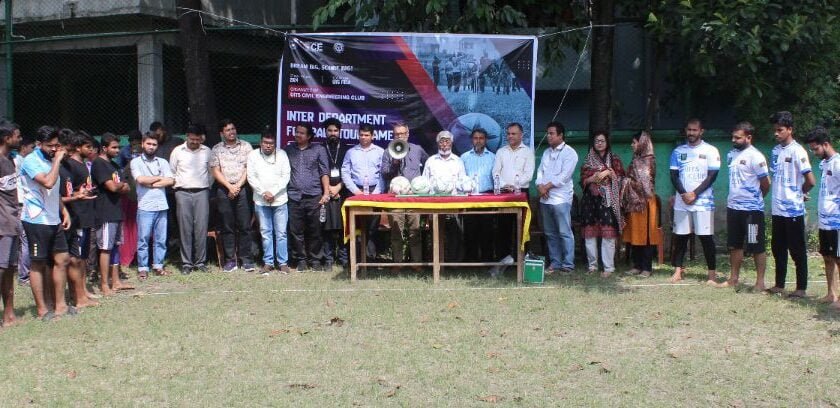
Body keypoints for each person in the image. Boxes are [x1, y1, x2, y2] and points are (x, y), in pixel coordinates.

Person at [20, 126, 74, 319]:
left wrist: (63, 211)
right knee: (38, 263)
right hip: (36, 219)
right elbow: (48, 182)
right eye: (50, 146)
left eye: (57, 145)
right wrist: (58, 160)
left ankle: (60, 306)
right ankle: (43, 309)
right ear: (39, 144)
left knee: (62, 259)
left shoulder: (51, 160)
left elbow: (54, 192)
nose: (54, 149)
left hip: (53, 219)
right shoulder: (30, 161)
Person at [718, 122, 771, 290]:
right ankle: (733, 279)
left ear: (749, 137)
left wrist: (755, 199)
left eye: (738, 137)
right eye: (733, 137)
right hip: (734, 209)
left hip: (751, 212)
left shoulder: (756, 157)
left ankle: (760, 282)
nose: (734, 140)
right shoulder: (731, 155)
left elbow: (766, 184)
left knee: (755, 245)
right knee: (734, 245)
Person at [768, 111, 815, 298]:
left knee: (797, 249)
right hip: (777, 208)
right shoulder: (775, 151)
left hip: (793, 210)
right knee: (778, 247)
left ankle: (801, 288)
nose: (776, 134)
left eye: (780, 130)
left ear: (789, 130)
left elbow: (810, 180)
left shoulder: (798, 151)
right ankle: (779, 285)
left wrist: (800, 193)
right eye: (775, 130)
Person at [669, 118, 720, 284]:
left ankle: (711, 275)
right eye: (689, 130)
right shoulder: (678, 151)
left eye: (694, 130)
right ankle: (678, 271)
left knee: (706, 238)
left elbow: (711, 177)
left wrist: (695, 194)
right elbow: (674, 176)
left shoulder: (711, 151)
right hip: (682, 202)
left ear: (701, 131)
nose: (691, 133)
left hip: (703, 202)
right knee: (681, 237)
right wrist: (684, 194)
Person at [59, 132, 99, 307]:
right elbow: (67, 193)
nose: (90, 150)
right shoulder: (70, 166)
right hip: (77, 216)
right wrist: (78, 196)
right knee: (76, 258)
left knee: (82, 257)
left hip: (86, 215)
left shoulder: (83, 165)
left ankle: (83, 290)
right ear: (77, 147)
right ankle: (77, 294)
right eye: (87, 147)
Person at [210, 119, 255, 272]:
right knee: (227, 226)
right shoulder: (216, 149)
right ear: (222, 133)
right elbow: (215, 171)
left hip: (242, 189)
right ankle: (230, 260)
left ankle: (246, 260)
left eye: (233, 128)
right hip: (224, 190)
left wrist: (237, 187)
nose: (231, 132)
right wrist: (229, 186)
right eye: (228, 130)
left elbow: (249, 168)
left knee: (245, 225)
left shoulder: (246, 146)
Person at [91, 133, 134, 296]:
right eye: (114, 147)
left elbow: (127, 188)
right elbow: (112, 187)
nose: (118, 150)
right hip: (105, 212)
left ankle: (116, 281)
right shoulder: (99, 164)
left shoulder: (114, 166)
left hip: (117, 211)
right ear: (104, 148)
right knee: (105, 248)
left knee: (115, 247)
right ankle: (104, 284)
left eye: (119, 147)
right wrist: (119, 185)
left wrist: (120, 185)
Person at [381, 121, 428, 265]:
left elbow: (428, 163)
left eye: (402, 133)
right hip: (395, 198)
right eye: (397, 134)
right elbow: (384, 173)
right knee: (396, 232)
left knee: (415, 231)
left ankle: (416, 263)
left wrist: (423, 184)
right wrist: (394, 163)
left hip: (414, 197)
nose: (400, 136)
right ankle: (397, 263)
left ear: (407, 134)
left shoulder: (417, 149)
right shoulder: (388, 151)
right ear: (393, 135)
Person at [580, 131, 625, 277]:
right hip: (590, 201)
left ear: (607, 143)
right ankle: (592, 266)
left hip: (608, 201)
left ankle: (608, 268)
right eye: (597, 141)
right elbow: (583, 181)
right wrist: (592, 178)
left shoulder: (614, 159)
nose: (599, 143)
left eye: (602, 141)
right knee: (590, 234)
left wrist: (609, 173)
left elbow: (621, 179)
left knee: (608, 234)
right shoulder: (588, 160)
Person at [247, 128, 291, 275]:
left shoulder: (282, 155)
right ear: (260, 143)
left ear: (275, 144)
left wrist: (273, 192)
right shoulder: (253, 155)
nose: (268, 146)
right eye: (265, 143)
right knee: (265, 232)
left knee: (281, 233)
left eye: (271, 143)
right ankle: (268, 262)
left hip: (280, 199)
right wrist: (263, 192)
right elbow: (251, 177)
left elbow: (286, 176)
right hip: (261, 200)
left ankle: (283, 263)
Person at [287, 123, 331, 272]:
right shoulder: (288, 150)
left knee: (315, 230)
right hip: (294, 196)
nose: (297, 135)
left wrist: (326, 193)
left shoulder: (318, 149)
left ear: (309, 136)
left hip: (314, 196)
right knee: (295, 231)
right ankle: (301, 260)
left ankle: (316, 260)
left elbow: (324, 172)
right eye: (296, 132)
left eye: (301, 133)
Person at [804, 127, 839, 308]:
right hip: (825, 221)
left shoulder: (838, 163)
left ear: (826, 144)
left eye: (816, 149)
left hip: (837, 222)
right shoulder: (824, 164)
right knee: (827, 257)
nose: (814, 152)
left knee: (839, 258)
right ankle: (831, 294)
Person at [130, 134, 175, 279]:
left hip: (161, 205)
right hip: (145, 206)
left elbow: (171, 180)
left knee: (161, 239)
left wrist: (151, 182)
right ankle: (143, 267)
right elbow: (141, 179)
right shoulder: (136, 162)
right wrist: (159, 177)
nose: (151, 147)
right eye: (148, 144)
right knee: (143, 239)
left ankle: (158, 265)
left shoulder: (162, 162)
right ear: (143, 144)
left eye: (154, 144)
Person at [535, 122, 578, 274]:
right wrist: (540, 186)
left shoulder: (570, 153)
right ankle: (555, 263)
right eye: (548, 133)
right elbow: (540, 171)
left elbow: (564, 177)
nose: (549, 136)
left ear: (561, 135)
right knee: (550, 233)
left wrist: (546, 187)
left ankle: (568, 264)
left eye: (552, 133)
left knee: (565, 232)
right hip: (545, 199)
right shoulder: (547, 152)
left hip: (561, 199)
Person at [169, 124, 212, 274]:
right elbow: (172, 171)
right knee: (185, 228)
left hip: (202, 192)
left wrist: (206, 186)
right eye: (192, 139)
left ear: (201, 138)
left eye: (197, 139)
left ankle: (200, 262)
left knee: (201, 228)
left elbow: (211, 173)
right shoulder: (177, 151)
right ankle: (186, 263)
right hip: (182, 192)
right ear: (187, 136)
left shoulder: (207, 151)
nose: (194, 142)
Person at [492, 123, 535, 264]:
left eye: (513, 134)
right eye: (508, 133)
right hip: (504, 193)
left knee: (522, 227)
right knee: (503, 227)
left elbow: (529, 175)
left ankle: (522, 260)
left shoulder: (528, 152)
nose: (510, 136)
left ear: (521, 135)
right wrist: (505, 185)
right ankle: (504, 260)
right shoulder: (501, 152)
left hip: (521, 193)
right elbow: (495, 172)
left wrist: (515, 185)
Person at [341, 123, 384, 261]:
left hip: (374, 192)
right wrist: (355, 190)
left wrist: (376, 192)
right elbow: (345, 172)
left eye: (367, 135)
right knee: (357, 227)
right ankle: (356, 260)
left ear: (372, 136)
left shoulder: (380, 151)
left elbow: (383, 174)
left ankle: (371, 259)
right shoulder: (351, 152)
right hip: (356, 192)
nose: (364, 137)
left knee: (372, 227)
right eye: (361, 135)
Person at [621, 131, 660, 278]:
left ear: (642, 142)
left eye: (634, 142)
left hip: (646, 203)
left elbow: (645, 185)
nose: (632, 145)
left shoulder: (648, 160)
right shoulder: (636, 159)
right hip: (634, 202)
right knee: (635, 235)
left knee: (647, 236)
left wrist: (626, 181)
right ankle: (636, 265)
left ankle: (647, 268)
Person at [423, 130, 466, 261]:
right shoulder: (431, 161)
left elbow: (463, 182)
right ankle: (436, 262)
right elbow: (424, 183)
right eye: (441, 141)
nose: (444, 144)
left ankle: (453, 263)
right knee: (436, 234)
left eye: (447, 141)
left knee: (455, 234)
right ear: (437, 143)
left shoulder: (458, 161)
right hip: (434, 205)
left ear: (451, 143)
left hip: (454, 205)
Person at [149, 121, 184, 260]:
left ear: (163, 130)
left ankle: (182, 249)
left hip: (176, 188)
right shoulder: (153, 145)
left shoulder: (177, 142)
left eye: (158, 134)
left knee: (179, 219)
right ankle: (166, 250)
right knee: (164, 221)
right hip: (160, 190)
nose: (156, 137)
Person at [461, 128, 496, 261]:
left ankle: (487, 260)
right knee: (470, 231)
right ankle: (471, 261)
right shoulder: (464, 157)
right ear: (472, 140)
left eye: (481, 138)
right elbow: (461, 178)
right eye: (476, 138)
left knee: (487, 231)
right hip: (469, 198)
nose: (478, 141)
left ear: (485, 140)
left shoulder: (493, 157)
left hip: (488, 197)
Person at [0, 126, 22, 326]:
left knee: (8, 270)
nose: (20, 138)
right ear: (7, 138)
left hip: (12, 222)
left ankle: (9, 315)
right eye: (17, 136)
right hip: (2, 223)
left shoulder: (9, 161)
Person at [322, 118, 350, 271]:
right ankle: (328, 258)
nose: (333, 133)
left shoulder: (347, 149)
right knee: (326, 227)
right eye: (330, 131)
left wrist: (338, 188)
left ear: (340, 132)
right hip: (325, 193)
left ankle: (344, 258)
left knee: (343, 226)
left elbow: (350, 172)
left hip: (342, 192)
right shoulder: (320, 148)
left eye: (335, 131)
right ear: (325, 132)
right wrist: (328, 190)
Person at [13, 133, 35, 286]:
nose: (34, 150)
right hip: (21, 204)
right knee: (26, 241)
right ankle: (24, 276)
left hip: (21, 204)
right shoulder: (19, 162)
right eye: (32, 147)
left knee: (24, 241)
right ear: (24, 148)